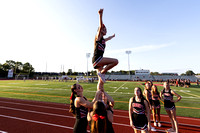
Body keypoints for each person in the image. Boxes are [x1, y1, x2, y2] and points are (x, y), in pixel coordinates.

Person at [92, 8, 118, 83]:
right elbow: (100, 27)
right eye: (104, 29)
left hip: (98, 61)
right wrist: (100, 15)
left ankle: (99, 93)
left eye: (106, 29)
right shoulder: (98, 36)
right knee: (115, 61)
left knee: (101, 82)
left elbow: (108, 38)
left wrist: (112, 37)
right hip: (97, 59)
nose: (105, 30)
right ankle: (102, 72)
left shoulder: (103, 40)